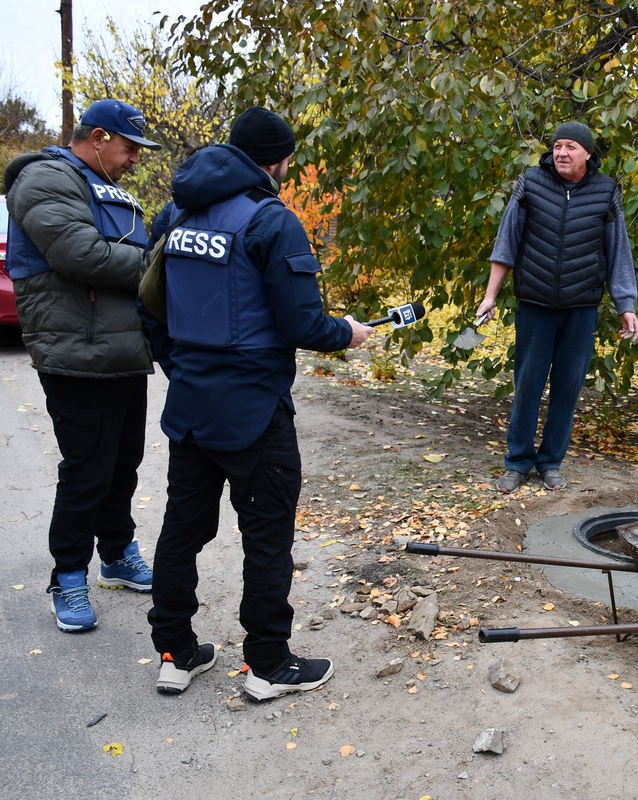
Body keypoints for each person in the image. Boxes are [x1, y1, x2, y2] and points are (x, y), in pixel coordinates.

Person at [140, 106, 372, 700]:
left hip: (190, 408)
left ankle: (175, 651)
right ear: (277, 161)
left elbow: (148, 306)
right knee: (267, 536)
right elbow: (303, 323)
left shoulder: (176, 213)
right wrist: (348, 332)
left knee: (181, 531)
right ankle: (268, 663)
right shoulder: (272, 221)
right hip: (255, 412)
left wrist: (182, 367)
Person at [4, 99, 161, 633]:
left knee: (123, 463)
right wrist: (161, 266)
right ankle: (68, 576)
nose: (135, 158)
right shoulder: (44, 180)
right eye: (129, 147)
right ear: (98, 137)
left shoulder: (106, 186)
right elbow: (82, 255)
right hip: (75, 352)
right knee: (87, 468)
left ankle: (116, 555)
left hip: (121, 350)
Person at [477, 121, 638, 494]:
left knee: (567, 389)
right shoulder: (531, 183)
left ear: (587, 153)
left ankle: (550, 462)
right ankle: (517, 463)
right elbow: (507, 242)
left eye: (570, 147)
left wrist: (625, 304)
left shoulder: (606, 191)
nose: (561, 153)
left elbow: (618, 253)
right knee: (528, 386)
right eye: (557, 146)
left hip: (581, 309)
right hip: (534, 305)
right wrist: (490, 295)